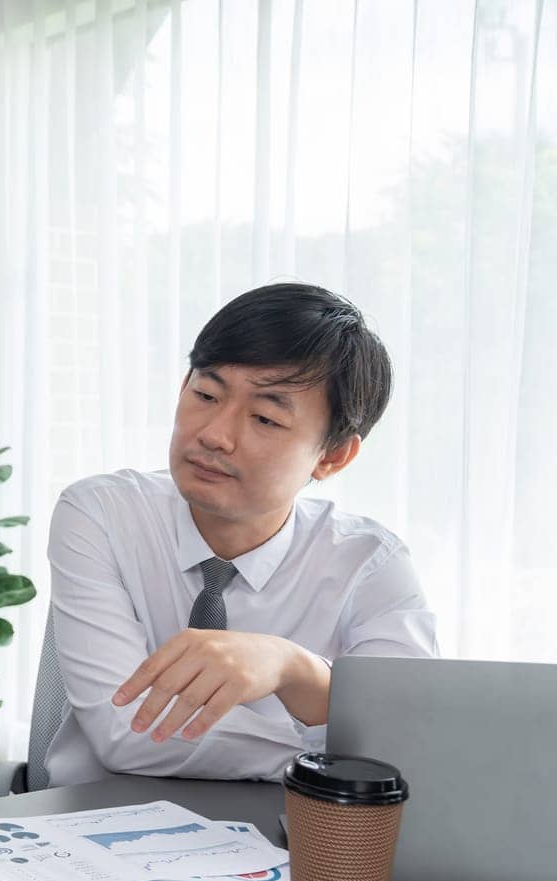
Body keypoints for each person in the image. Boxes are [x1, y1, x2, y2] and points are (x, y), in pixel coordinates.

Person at [41, 283, 438, 786]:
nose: (213, 434)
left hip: (276, 841)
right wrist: (326, 756)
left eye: (265, 418)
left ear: (332, 455)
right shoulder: (101, 515)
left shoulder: (369, 564)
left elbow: (410, 747)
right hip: (85, 829)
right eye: (206, 394)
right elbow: (126, 731)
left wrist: (294, 669)